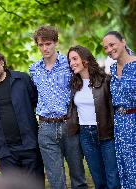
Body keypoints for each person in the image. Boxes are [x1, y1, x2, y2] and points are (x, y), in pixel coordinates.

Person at [29, 26, 87, 189]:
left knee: (78, 176)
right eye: (41, 45)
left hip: (69, 124)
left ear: (55, 42)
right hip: (45, 128)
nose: (45, 48)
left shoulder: (69, 65)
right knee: (56, 181)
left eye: (48, 43)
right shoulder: (34, 69)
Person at [0, 49, 45, 188]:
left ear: (1, 62)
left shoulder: (22, 79)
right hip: (5, 152)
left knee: (35, 186)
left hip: (29, 145)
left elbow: (36, 103)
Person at [67, 45, 120, 189]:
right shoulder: (74, 84)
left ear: (85, 59)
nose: (71, 63)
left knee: (113, 178)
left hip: (106, 134)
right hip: (85, 135)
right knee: (98, 179)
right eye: (70, 60)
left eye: (74, 59)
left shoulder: (106, 81)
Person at [103, 31, 136, 188]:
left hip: (134, 121)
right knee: (123, 165)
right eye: (105, 47)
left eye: (112, 44)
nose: (109, 49)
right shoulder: (113, 70)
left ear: (123, 42)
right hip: (120, 124)